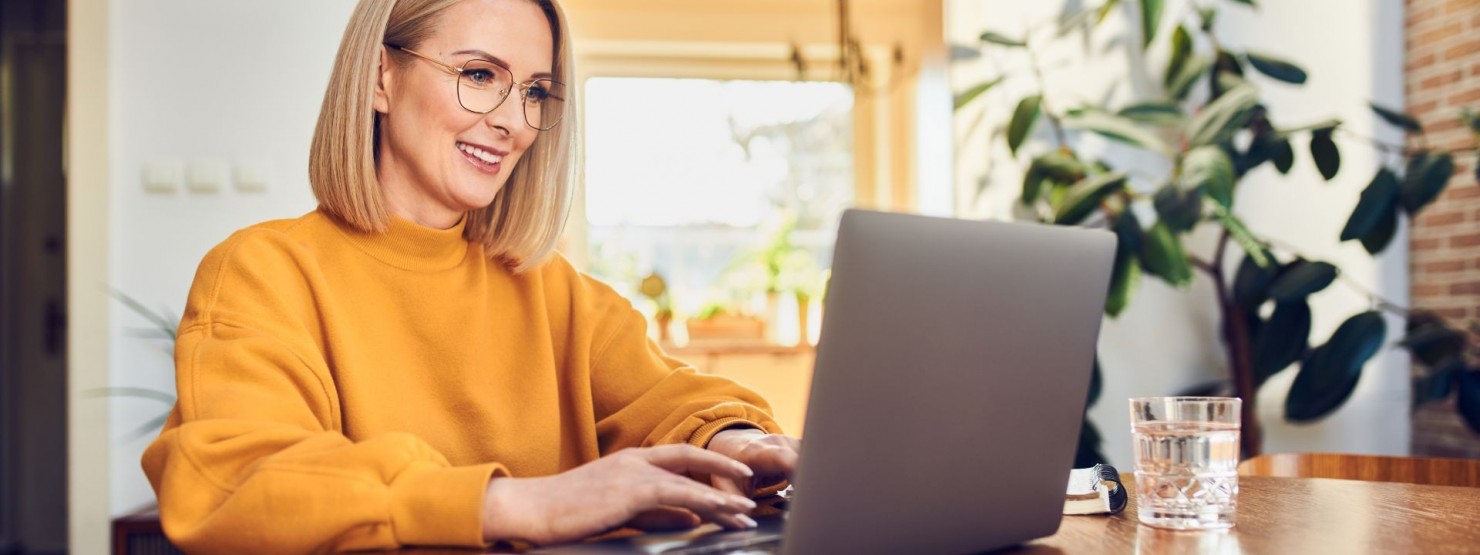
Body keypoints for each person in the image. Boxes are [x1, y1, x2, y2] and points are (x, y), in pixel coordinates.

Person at [141, 0, 801, 551]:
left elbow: (672, 398)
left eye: (535, 91)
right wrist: (513, 503)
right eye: (481, 74)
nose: (514, 122)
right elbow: (237, 481)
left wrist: (734, 441)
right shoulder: (263, 272)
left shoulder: (553, 290)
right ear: (380, 77)